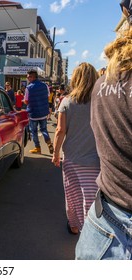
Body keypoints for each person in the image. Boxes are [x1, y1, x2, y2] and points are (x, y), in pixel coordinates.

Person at [75, 0, 132, 259]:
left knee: (75, 192)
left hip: (106, 221)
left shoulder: (104, 84)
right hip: (108, 218)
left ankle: (72, 221)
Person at [51, 63, 100, 234]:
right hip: (95, 160)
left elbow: (60, 130)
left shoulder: (67, 101)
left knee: (72, 194)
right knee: (92, 197)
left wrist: (56, 153)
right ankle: (92, 231)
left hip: (71, 157)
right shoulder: (100, 101)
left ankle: (73, 226)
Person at [24, 69, 54, 154]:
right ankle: (49, 143)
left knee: (34, 131)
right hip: (43, 112)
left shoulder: (28, 88)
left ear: (32, 77)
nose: (27, 78)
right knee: (44, 129)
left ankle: (37, 148)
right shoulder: (45, 86)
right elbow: (48, 97)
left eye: (28, 77)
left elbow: (26, 101)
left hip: (33, 113)